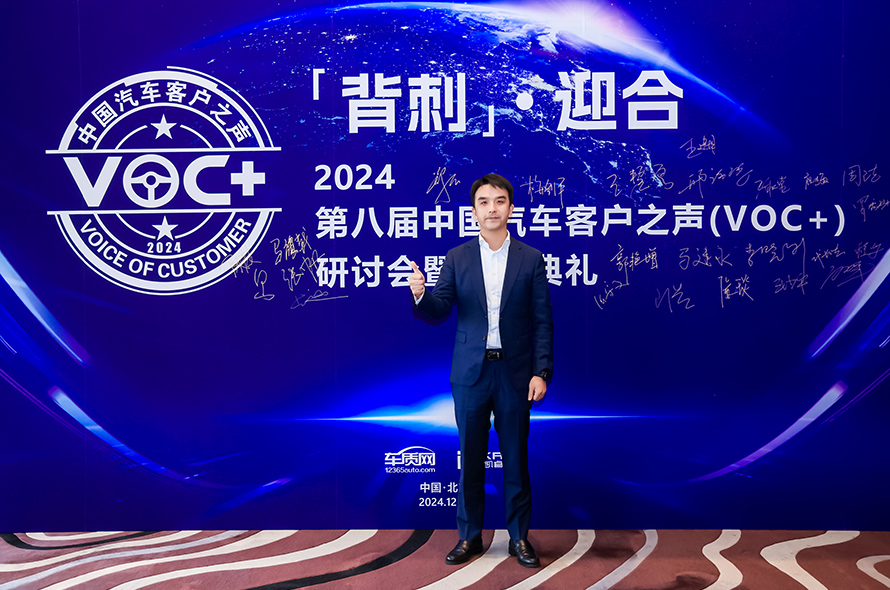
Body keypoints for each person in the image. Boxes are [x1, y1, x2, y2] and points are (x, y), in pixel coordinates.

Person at [409, 173, 553, 568]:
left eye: (499, 201)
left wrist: (541, 372)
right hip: (470, 375)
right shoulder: (457, 257)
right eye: (484, 202)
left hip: (515, 374)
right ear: (473, 211)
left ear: (511, 208)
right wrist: (421, 294)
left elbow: (542, 321)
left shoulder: (530, 258)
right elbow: (439, 308)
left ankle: (519, 538)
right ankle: (469, 537)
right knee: (470, 459)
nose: (492, 209)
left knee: (515, 460)